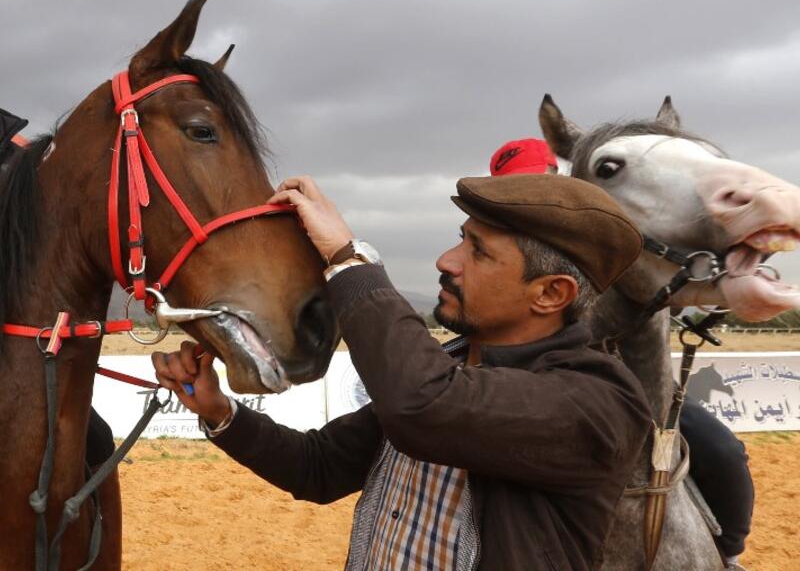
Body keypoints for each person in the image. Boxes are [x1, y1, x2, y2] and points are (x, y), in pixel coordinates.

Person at [153, 172, 652, 570]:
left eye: (478, 252)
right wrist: (219, 412)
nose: (447, 261)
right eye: (462, 239)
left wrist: (348, 260)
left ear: (550, 294)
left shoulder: (598, 400)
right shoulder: (448, 368)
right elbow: (319, 467)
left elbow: (423, 404)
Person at [490, 138, 754, 569]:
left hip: (640, 381)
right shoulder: (497, 242)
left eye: (540, 181)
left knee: (721, 448)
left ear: (558, 177)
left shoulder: (606, 230)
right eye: (517, 187)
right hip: (542, 380)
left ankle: (729, 552)